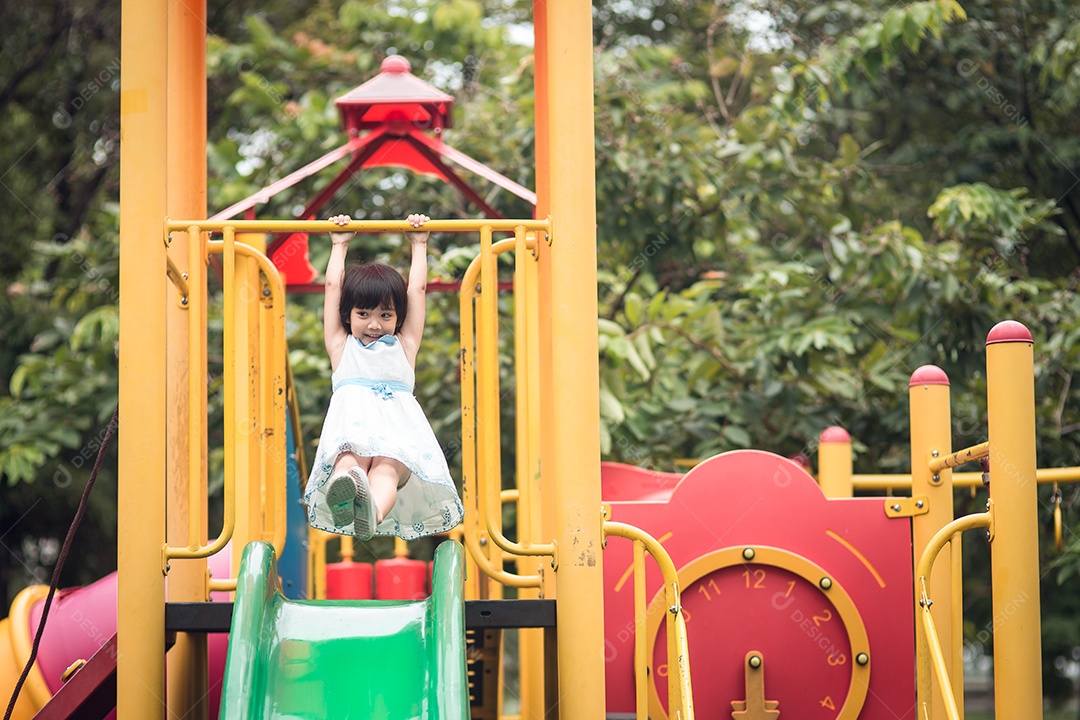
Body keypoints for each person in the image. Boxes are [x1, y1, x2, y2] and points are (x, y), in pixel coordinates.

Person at [303, 213, 465, 541]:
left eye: (385, 315)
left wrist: (419, 244)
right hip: (354, 429)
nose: (374, 324)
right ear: (347, 315)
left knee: (387, 469)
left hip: (399, 434)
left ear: (398, 317)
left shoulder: (406, 346)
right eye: (363, 314)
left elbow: (417, 290)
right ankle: (345, 498)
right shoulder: (341, 346)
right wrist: (339, 244)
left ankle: (371, 513)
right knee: (349, 463)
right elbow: (333, 286)